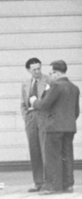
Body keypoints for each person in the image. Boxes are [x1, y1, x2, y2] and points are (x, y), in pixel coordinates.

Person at [31, 59, 81, 194]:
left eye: (51, 73)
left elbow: (44, 105)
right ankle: (68, 184)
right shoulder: (74, 88)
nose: (50, 76)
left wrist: (34, 101)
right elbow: (76, 111)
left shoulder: (56, 86)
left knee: (52, 157)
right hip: (69, 126)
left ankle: (52, 185)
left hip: (53, 127)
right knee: (67, 155)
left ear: (56, 73)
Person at [20, 57, 48, 192]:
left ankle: (48, 181)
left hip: (43, 117)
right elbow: (22, 103)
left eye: (39, 68)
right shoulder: (26, 83)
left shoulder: (48, 80)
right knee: (34, 150)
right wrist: (26, 117)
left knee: (45, 149)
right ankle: (38, 182)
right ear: (28, 70)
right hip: (31, 118)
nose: (37, 71)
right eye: (34, 69)